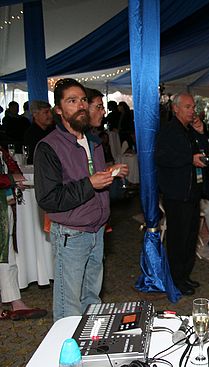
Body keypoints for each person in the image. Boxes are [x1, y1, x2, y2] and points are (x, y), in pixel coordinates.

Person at [34, 78, 126, 321]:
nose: (81, 106)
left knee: (92, 299)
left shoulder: (93, 141)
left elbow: (87, 176)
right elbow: (48, 198)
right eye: (72, 101)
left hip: (96, 231)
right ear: (59, 110)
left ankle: (89, 349)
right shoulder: (48, 147)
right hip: (70, 234)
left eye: (83, 100)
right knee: (68, 306)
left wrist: (107, 174)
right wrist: (90, 184)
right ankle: (66, 356)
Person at [155, 93, 208, 296]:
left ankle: (185, 276)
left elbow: (204, 151)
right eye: (187, 107)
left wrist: (201, 132)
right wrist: (189, 158)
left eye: (193, 107)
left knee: (190, 238)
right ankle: (176, 279)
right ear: (175, 108)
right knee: (178, 239)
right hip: (176, 194)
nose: (192, 111)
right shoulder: (169, 131)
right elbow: (162, 157)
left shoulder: (189, 131)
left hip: (192, 192)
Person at [0, 146, 47, 321]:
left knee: (7, 255)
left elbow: (10, 161)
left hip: (3, 205)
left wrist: (15, 175)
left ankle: (15, 302)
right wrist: (11, 178)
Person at [23, 100, 55, 164]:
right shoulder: (31, 134)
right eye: (46, 112)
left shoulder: (53, 131)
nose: (50, 115)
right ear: (35, 115)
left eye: (50, 112)